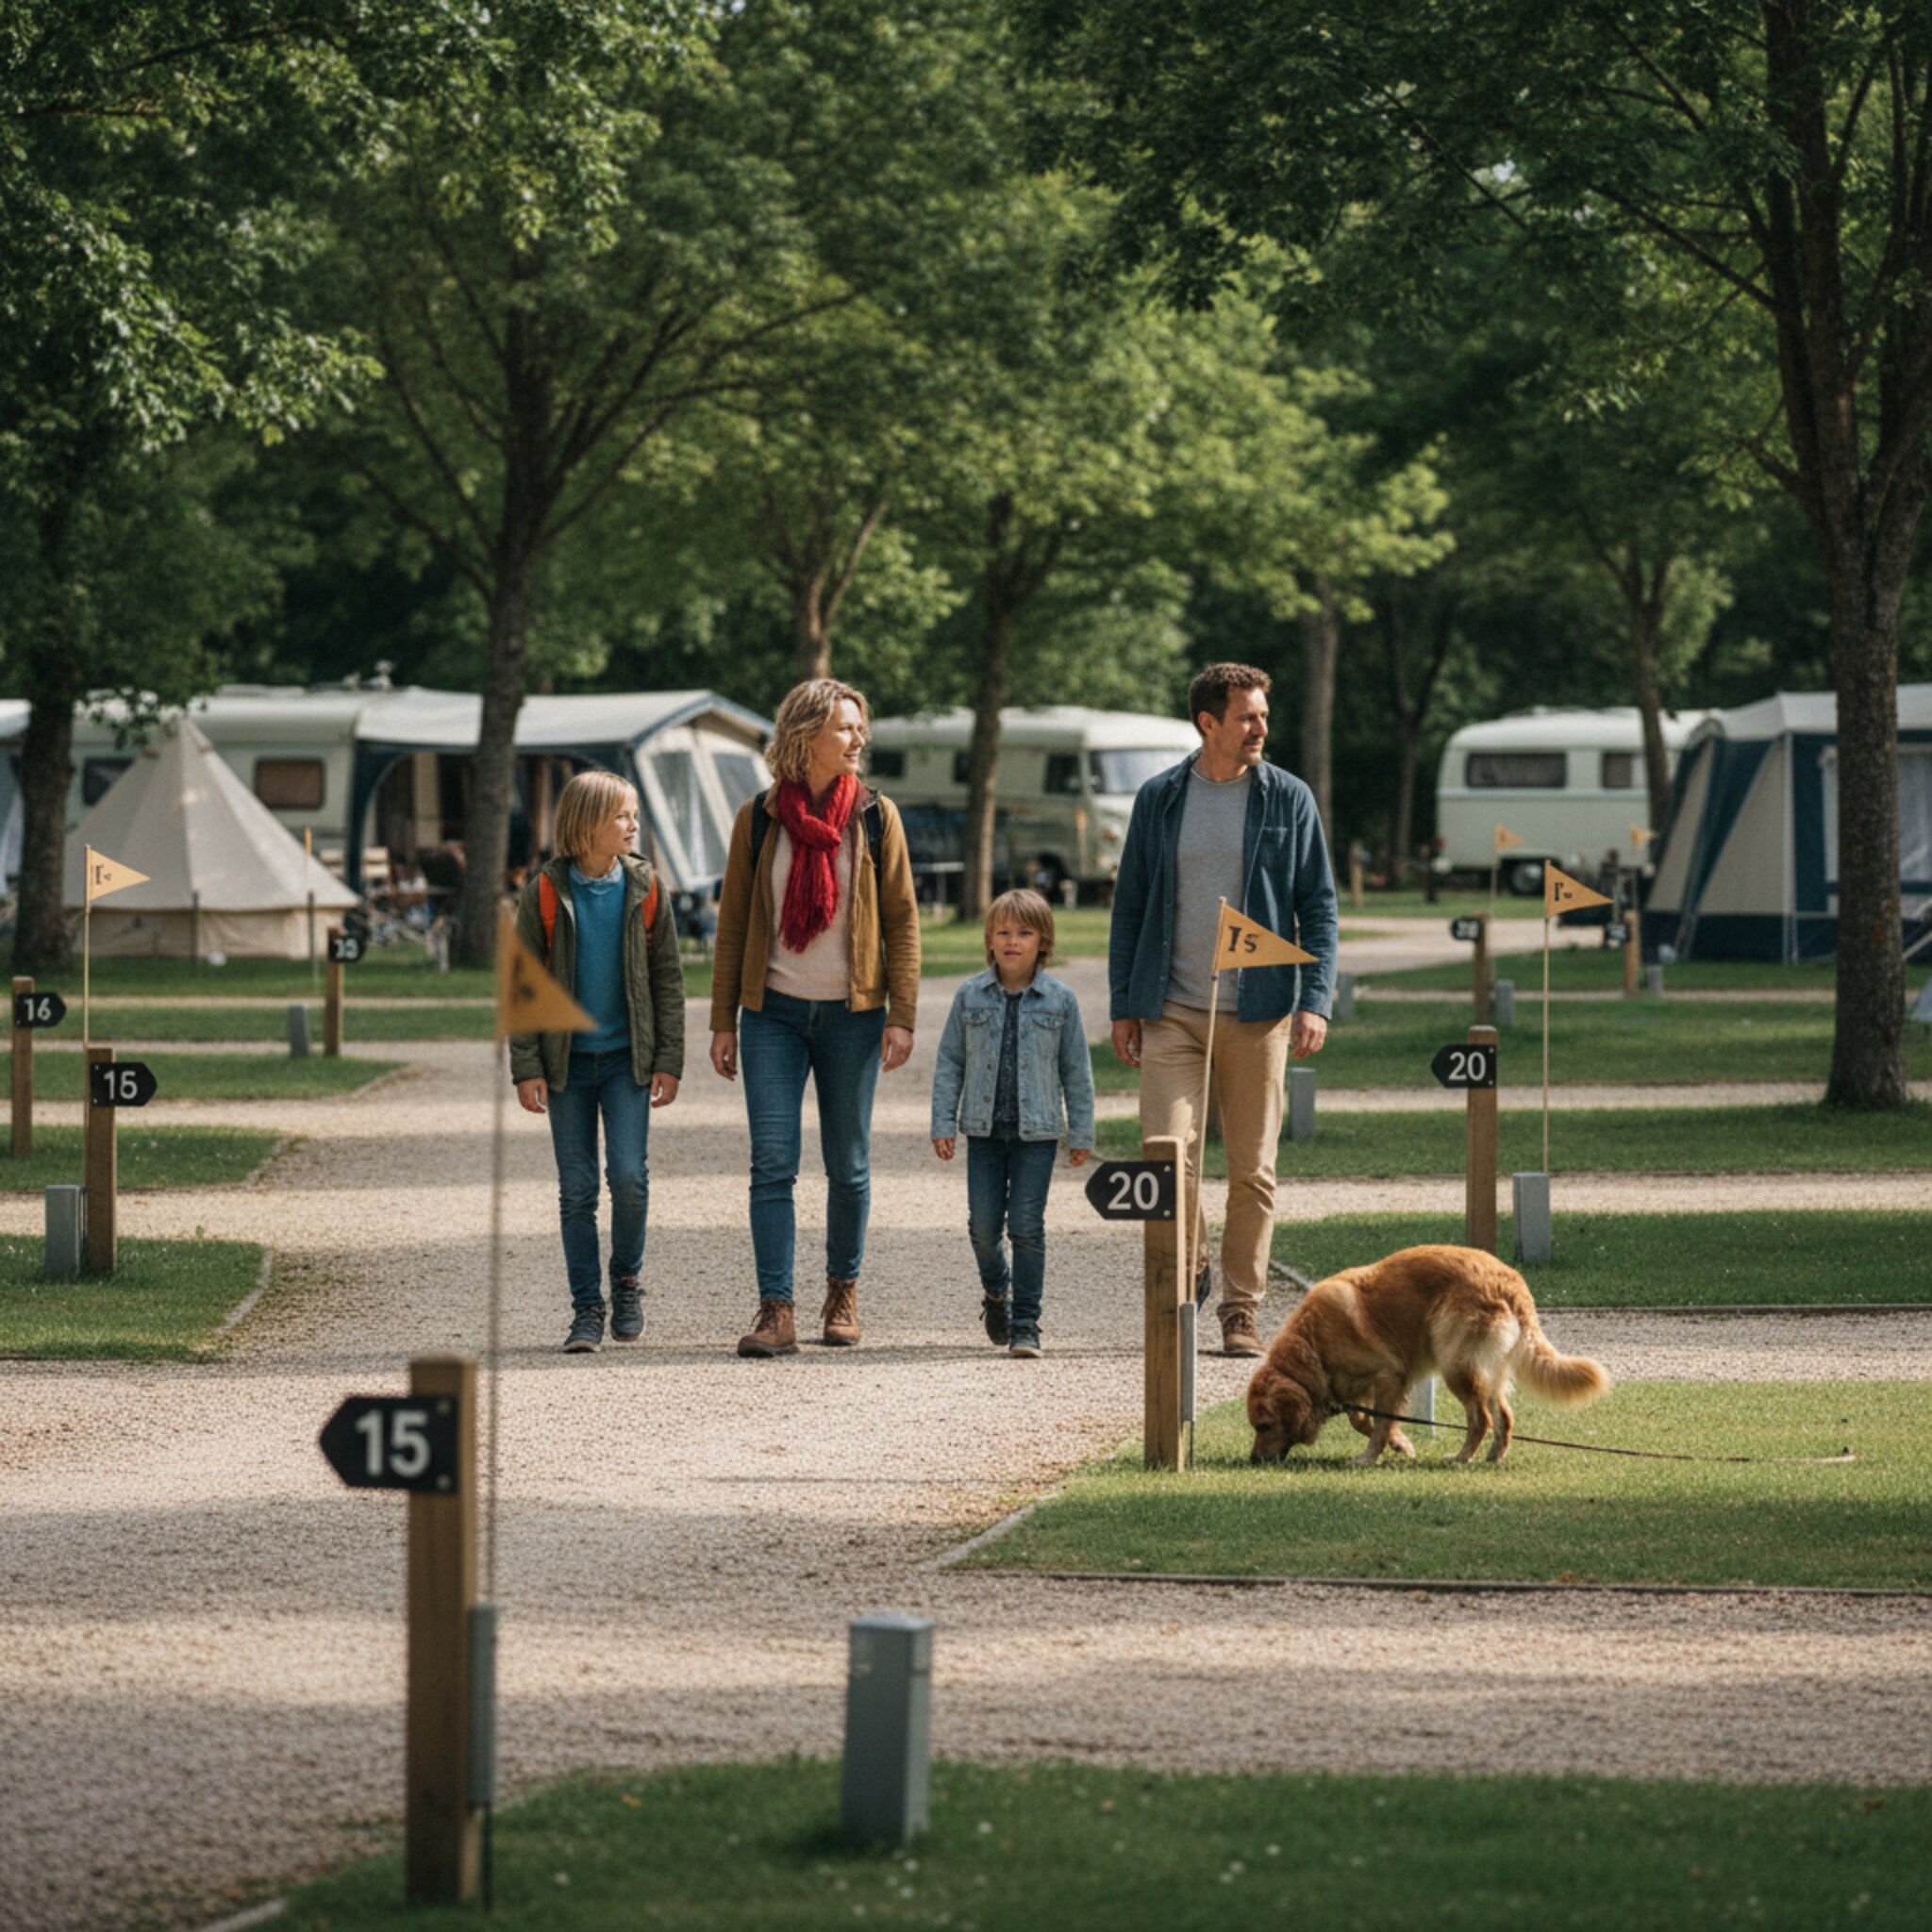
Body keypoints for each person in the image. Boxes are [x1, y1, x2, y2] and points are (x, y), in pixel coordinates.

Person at [1108, 662, 1338, 1357]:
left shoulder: (1289, 798)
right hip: (1172, 1009)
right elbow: (1130, 905)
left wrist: (1315, 1000)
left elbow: (1318, 907)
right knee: (1167, 1161)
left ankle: (1241, 1309)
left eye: (1264, 715)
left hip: (1259, 1013)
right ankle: (1187, 1273)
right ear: (1209, 723)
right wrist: (1123, 1005)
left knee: (1252, 1172)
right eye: (1247, 716)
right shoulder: (1160, 797)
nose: (1261, 727)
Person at [709, 678, 921, 1357]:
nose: (859, 739)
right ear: (805, 737)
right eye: (845, 728)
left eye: (860, 727)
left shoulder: (877, 817)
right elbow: (733, 925)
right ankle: (776, 1310)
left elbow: (902, 922)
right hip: (771, 1013)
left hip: (854, 1016)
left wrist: (902, 1014)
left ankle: (842, 1293)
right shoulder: (759, 818)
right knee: (772, 1163)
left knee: (848, 1165)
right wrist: (722, 1020)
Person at [510, 770, 685, 1353]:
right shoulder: (543, 893)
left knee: (629, 1177)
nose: (634, 825)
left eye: (634, 814)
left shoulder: (647, 888)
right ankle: (586, 1307)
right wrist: (527, 1067)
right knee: (577, 1189)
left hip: (626, 1062)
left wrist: (669, 1058)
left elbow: (668, 982)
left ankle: (626, 1281)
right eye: (622, 816)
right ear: (587, 825)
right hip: (566, 1068)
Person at [930, 889, 1096, 1358]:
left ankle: (1026, 1323)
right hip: (984, 1132)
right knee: (983, 1227)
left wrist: (1081, 1132)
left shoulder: (1060, 1001)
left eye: (1024, 933)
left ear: (1043, 942)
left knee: (1026, 1226)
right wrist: (943, 1122)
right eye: (1002, 932)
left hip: (1036, 1136)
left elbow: (1076, 1071)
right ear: (989, 939)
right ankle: (996, 1290)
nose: (1012, 941)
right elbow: (950, 1063)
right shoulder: (969, 995)